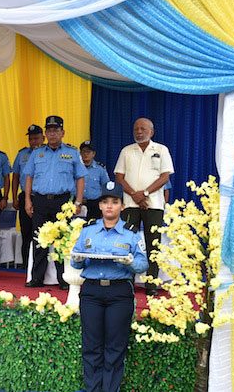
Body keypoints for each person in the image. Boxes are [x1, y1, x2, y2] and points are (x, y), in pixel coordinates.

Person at [71, 181, 148, 392]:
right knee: (91, 346)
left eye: (114, 202)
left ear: (122, 206)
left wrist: (129, 262)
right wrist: (76, 259)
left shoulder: (131, 233)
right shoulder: (88, 231)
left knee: (115, 348)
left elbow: (143, 264)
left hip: (119, 293)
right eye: (105, 202)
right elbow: (76, 261)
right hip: (92, 292)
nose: (109, 206)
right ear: (100, 205)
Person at [24, 115, 87, 289]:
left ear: (63, 132)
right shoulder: (37, 153)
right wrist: (27, 199)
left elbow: (80, 178)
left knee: (62, 241)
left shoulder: (72, 153)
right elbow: (29, 177)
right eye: (49, 130)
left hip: (62, 202)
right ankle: (37, 278)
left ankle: (63, 279)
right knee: (39, 240)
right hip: (40, 200)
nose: (52, 134)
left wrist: (78, 202)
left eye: (56, 130)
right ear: (45, 133)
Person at [114, 117, 174, 296]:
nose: (139, 132)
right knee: (128, 242)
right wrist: (135, 195)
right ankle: (127, 282)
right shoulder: (126, 151)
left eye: (143, 129)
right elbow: (119, 177)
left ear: (151, 132)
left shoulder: (161, 150)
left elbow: (165, 177)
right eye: (136, 129)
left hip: (153, 204)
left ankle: (151, 283)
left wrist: (145, 193)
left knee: (153, 243)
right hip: (130, 203)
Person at [12, 125, 44, 271]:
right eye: (31, 139)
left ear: (43, 138)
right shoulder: (22, 154)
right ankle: (26, 264)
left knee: (41, 233)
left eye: (36, 138)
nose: (33, 141)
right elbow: (16, 176)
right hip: (25, 196)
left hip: (41, 197)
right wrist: (14, 197)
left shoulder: (47, 153)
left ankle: (39, 264)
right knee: (26, 232)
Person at [79, 140, 110, 221]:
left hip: (94, 204)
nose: (85, 154)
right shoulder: (75, 168)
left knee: (93, 226)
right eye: (83, 151)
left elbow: (106, 187)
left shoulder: (100, 169)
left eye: (88, 152)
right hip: (77, 203)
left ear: (93, 154)